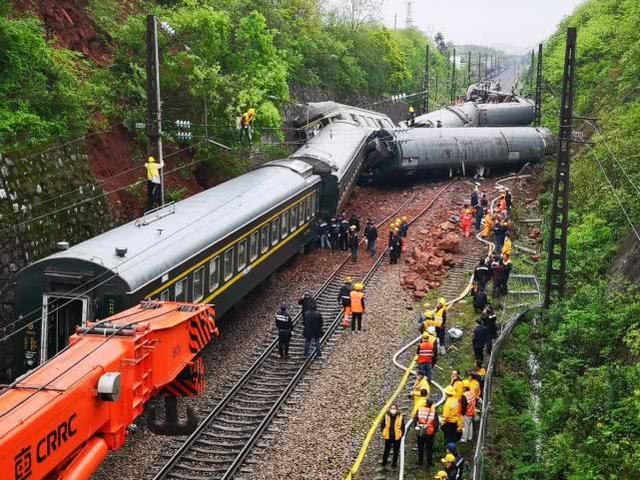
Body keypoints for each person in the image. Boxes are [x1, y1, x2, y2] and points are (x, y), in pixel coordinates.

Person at [415, 398, 439, 466]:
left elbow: (415, 420)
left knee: (420, 447)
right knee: (429, 448)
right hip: (430, 433)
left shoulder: (420, 410)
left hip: (421, 431)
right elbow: (436, 423)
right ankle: (430, 462)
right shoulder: (433, 412)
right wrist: (435, 432)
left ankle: (420, 461)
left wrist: (417, 429)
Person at [380, 404, 405, 468]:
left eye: (394, 408)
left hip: (397, 436)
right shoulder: (386, 415)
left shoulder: (400, 416)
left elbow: (403, 427)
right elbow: (382, 425)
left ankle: (394, 464)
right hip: (388, 435)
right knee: (386, 449)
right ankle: (384, 462)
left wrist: (401, 435)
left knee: (396, 451)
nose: (393, 410)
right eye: (392, 408)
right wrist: (383, 432)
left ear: (397, 410)